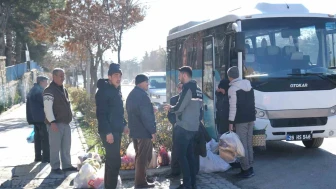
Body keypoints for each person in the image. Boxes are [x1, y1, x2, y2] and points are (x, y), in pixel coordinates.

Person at [164, 66, 203, 189]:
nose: (179, 77)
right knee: (190, 156)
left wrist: (170, 108)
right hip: (193, 128)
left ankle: (186, 184)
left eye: (180, 75)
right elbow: (199, 109)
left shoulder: (187, 88)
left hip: (184, 128)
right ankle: (192, 184)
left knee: (181, 156)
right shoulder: (198, 89)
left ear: (185, 75)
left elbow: (180, 107)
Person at [95, 63, 128, 189]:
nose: (118, 78)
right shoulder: (103, 92)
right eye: (115, 75)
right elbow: (101, 114)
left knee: (111, 162)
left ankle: (109, 186)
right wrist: (108, 132)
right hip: (108, 132)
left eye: (119, 75)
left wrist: (124, 124)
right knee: (114, 163)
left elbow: (118, 112)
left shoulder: (116, 90)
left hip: (116, 130)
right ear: (109, 77)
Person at [43, 68, 77, 174]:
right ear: (54, 77)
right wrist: (52, 122)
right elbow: (47, 108)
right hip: (55, 124)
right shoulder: (49, 90)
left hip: (65, 123)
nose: (63, 78)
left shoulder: (63, 89)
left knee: (66, 146)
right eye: (61, 76)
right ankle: (55, 167)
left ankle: (67, 165)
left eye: (64, 75)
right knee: (55, 147)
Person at [126, 74, 156, 189]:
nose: (148, 84)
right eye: (146, 82)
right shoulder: (143, 95)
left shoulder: (132, 94)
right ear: (140, 83)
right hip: (144, 132)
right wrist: (152, 131)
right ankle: (140, 183)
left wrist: (150, 108)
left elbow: (135, 111)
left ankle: (141, 179)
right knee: (144, 157)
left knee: (140, 157)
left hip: (135, 130)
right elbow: (145, 116)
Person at [227, 66, 256, 178]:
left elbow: (233, 108)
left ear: (230, 77)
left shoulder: (233, 89)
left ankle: (246, 169)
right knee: (249, 143)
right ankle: (250, 165)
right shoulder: (249, 85)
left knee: (242, 145)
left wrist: (230, 122)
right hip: (250, 118)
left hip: (241, 120)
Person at [26, 76, 50, 163]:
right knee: (45, 138)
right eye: (46, 82)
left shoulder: (33, 89)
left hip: (34, 118)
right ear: (41, 82)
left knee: (38, 138)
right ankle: (46, 158)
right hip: (41, 118)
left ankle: (38, 157)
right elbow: (45, 104)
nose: (47, 84)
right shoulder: (39, 91)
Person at [166, 82, 183, 178]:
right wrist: (175, 123)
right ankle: (175, 171)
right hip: (177, 128)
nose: (180, 89)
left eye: (182, 88)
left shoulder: (189, 98)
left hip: (187, 128)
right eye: (179, 87)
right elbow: (170, 114)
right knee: (175, 149)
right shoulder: (173, 99)